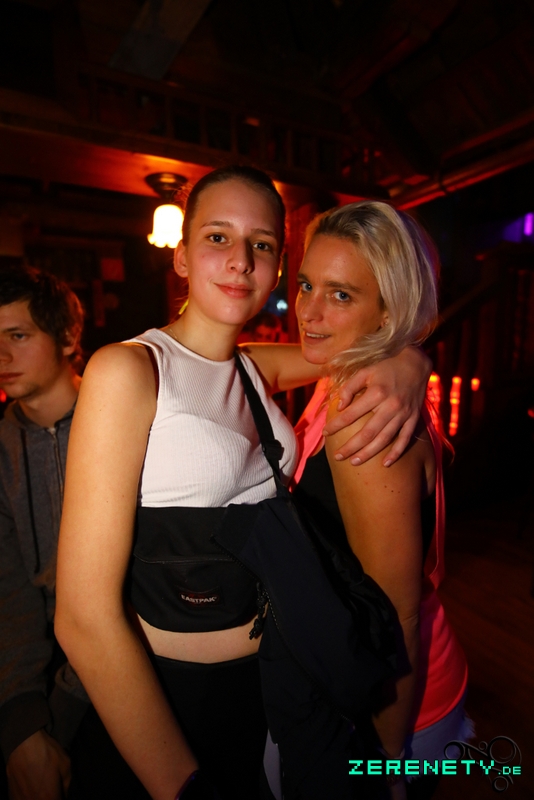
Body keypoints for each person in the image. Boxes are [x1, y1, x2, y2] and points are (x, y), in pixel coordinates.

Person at [55, 166, 431, 800]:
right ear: (181, 256)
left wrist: (410, 359)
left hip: (272, 695)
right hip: (173, 703)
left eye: (261, 244)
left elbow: (360, 343)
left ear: (277, 267)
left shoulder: (252, 367)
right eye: (217, 237)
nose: (240, 260)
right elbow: (83, 618)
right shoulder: (130, 370)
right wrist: (182, 787)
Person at [292, 202, 470, 799]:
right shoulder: (346, 374)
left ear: (388, 311)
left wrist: (388, 762)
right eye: (307, 285)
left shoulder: (364, 419)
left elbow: (397, 619)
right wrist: (412, 355)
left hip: (400, 707)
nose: (309, 311)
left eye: (340, 295)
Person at [0, 266, 88, 800]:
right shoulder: (2, 450)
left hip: (138, 668)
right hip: (41, 673)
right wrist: (22, 723)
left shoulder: (124, 417)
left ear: (69, 337)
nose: (2, 356)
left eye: (17, 335)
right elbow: (8, 593)